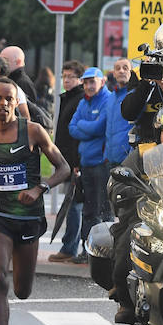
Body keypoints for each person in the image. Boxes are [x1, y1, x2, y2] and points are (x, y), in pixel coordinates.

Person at [0, 78, 70, 325]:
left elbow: (64, 168)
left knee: (22, 289)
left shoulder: (33, 131)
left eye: (9, 99)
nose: (3, 104)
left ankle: (21, 268)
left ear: (16, 102)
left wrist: (39, 188)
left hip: (28, 217)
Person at [109, 104, 163, 324]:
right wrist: (130, 190)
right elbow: (116, 181)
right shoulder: (143, 153)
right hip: (150, 214)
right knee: (126, 239)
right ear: (159, 133)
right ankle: (126, 301)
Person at [69, 67, 113, 256]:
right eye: (85, 82)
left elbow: (99, 127)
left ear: (102, 81)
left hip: (101, 164)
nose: (88, 86)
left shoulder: (107, 99)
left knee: (102, 210)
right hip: (86, 163)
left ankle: (103, 251)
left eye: (92, 81)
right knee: (88, 210)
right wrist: (88, 128)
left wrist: (83, 126)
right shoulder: (83, 102)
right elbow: (72, 128)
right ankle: (86, 250)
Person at [49, 60, 87, 263]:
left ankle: (70, 247)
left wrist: (74, 162)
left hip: (75, 160)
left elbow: (75, 135)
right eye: (64, 76)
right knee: (74, 204)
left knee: (74, 205)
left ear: (80, 79)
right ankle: (71, 246)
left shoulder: (79, 99)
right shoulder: (70, 98)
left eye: (70, 77)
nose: (66, 80)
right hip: (68, 158)